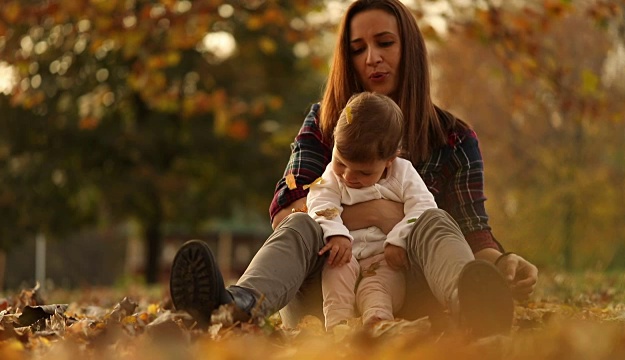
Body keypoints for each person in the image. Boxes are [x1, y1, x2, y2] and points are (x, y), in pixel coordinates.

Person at [169, 0, 538, 338]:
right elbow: (286, 211)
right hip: (324, 295)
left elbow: (473, 234)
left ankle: (475, 310)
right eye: (357, 49)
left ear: (409, 48)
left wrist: (503, 264)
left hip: (409, 293)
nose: (372, 58)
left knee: (436, 222)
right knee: (303, 221)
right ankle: (235, 306)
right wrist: (383, 213)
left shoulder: (453, 138)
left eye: (384, 43)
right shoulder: (324, 123)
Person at [308, 92, 438, 330]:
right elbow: (320, 202)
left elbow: (424, 208)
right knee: (336, 278)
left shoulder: (403, 174)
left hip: (384, 257)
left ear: (390, 160)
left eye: (364, 173)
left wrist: (399, 240)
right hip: (344, 253)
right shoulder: (332, 175)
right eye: (340, 163)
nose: (348, 177)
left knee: (376, 289)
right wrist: (336, 233)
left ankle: (378, 327)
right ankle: (339, 329)